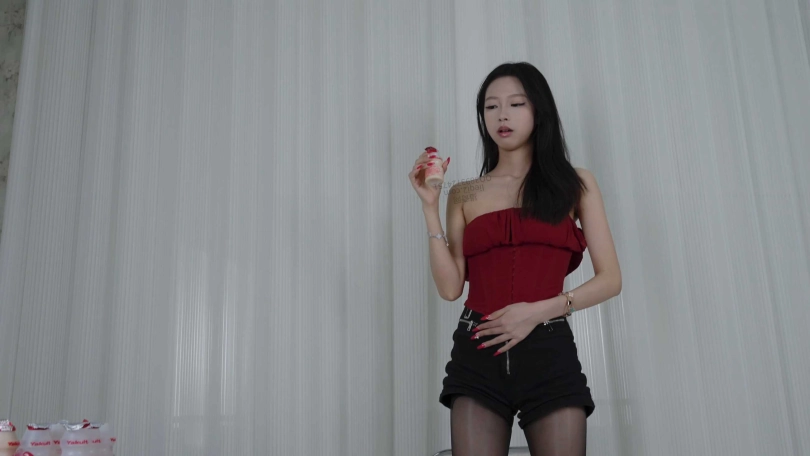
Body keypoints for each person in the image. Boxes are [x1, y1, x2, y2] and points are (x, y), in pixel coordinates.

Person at [408, 62, 622, 455]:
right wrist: (429, 208)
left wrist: (539, 311)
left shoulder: (576, 184)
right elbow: (450, 288)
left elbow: (610, 279)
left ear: (539, 110)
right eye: (491, 106)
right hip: (478, 348)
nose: (502, 115)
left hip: (549, 350)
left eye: (516, 104)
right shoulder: (464, 193)